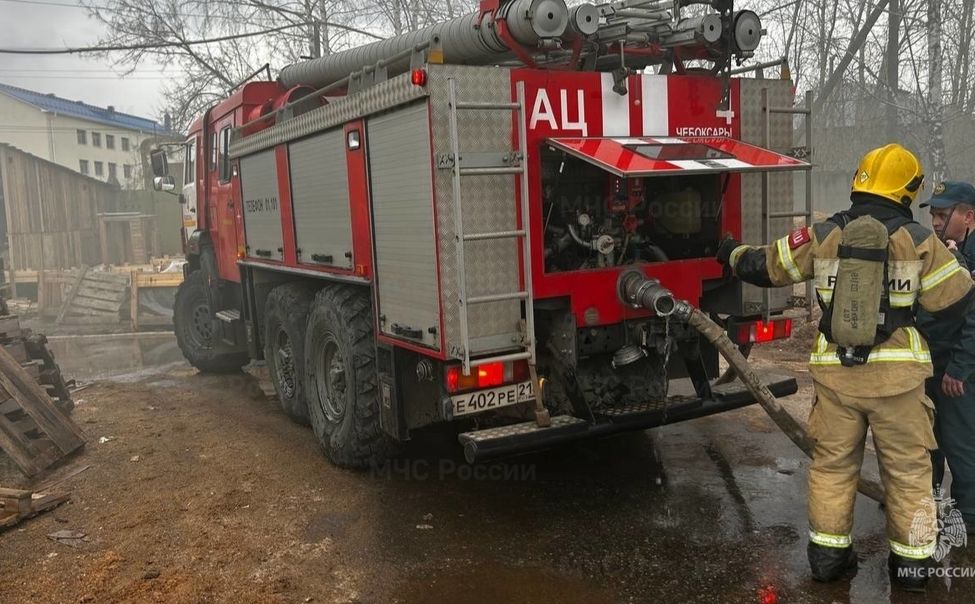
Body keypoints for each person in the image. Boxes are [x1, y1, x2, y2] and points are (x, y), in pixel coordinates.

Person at [716, 144, 974, 592]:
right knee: (911, 472)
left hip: (836, 375)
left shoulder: (824, 233)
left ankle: (829, 561)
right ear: (907, 189)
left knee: (833, 468)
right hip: (897, 382)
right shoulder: (918, 239)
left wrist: (729, 252)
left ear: (860, 180)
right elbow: (954, 300)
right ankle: (912, 568)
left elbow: (764, 267)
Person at [916, 181, 975, 535]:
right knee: (928, 439)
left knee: (960, 442)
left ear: (968, 216)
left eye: (943, 214)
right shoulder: (943, 249)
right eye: (933, 215)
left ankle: (968, 516)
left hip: (958, 371)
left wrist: (960, 368)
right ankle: (928, 502)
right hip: (932, 363)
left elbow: (972, 319)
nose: (935, 222)